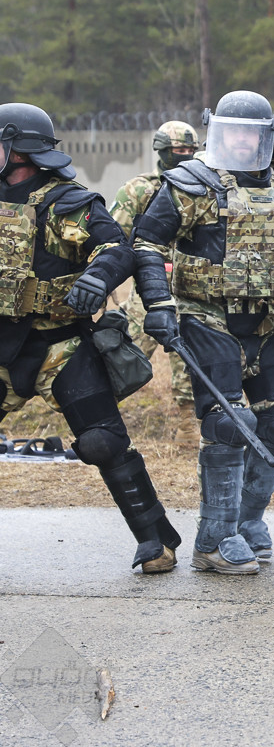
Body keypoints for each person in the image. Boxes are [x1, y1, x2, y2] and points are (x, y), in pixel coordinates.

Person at [132, 90, 274, 575]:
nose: (241, 140)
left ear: (267, 136)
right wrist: (159, 304)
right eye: (232, 131)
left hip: (270, 319)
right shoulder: (192, 183)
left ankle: (246, 521)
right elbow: (148, 242)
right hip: (207, 316)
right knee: (230, 423)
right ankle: (213, 540)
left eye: (250, 133)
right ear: (216, 132)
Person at [0, 102, 181, 573]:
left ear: (18, 151)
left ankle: (156, 542)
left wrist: (97, 278)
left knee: (103, 441)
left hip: (60, 345)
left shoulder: (67, 202)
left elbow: (116, 248)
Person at [110, 121, 198, 428]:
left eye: (191, 149)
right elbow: (114, 236)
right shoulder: (139, 189)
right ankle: (98, 416)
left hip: (191, 287)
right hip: (148, 287)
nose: (186, 154)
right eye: (179, 149)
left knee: (191, 360)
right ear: (162, 150)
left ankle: (188, 426)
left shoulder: (204, 188)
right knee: (123, 354)